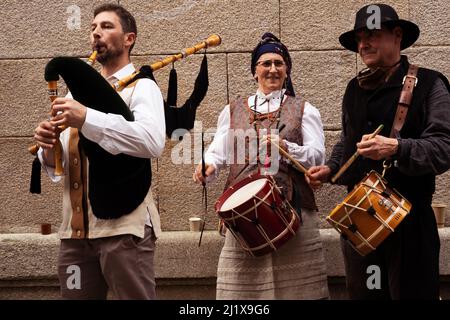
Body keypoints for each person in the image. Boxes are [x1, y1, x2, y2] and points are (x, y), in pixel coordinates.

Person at [307, 4, 450, 299]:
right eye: (359, 38)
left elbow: (444, 147)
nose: (363, 44)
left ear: (397, 36)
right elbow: (347, 142)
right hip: (360, 225)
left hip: (409, 228)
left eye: (372, 34)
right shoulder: (353, 88)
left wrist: (396, 147)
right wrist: (332, 168)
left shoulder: (431, 83)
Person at [33, 3, 165, 299]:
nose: (96, 33)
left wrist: (86, 118)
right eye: (93, 28)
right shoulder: (75, 94)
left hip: (124, 231)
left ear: (129, 38)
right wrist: (49, 146)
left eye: (106, 26)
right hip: (75, 236)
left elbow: (151, 142)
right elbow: (65, 164)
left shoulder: (142, 88)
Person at [193, 32, 329, 299]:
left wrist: (287, 147)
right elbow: (218, 152)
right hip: (244, 216)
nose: (273, 69)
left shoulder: (305, 109)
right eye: (266, 63)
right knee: (241, 296)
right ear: (255, 71)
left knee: (299, 292)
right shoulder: (232, 110)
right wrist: (207, 165)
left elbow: (318, 157)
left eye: (279, 63)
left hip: (293, 212)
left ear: (287, 70)